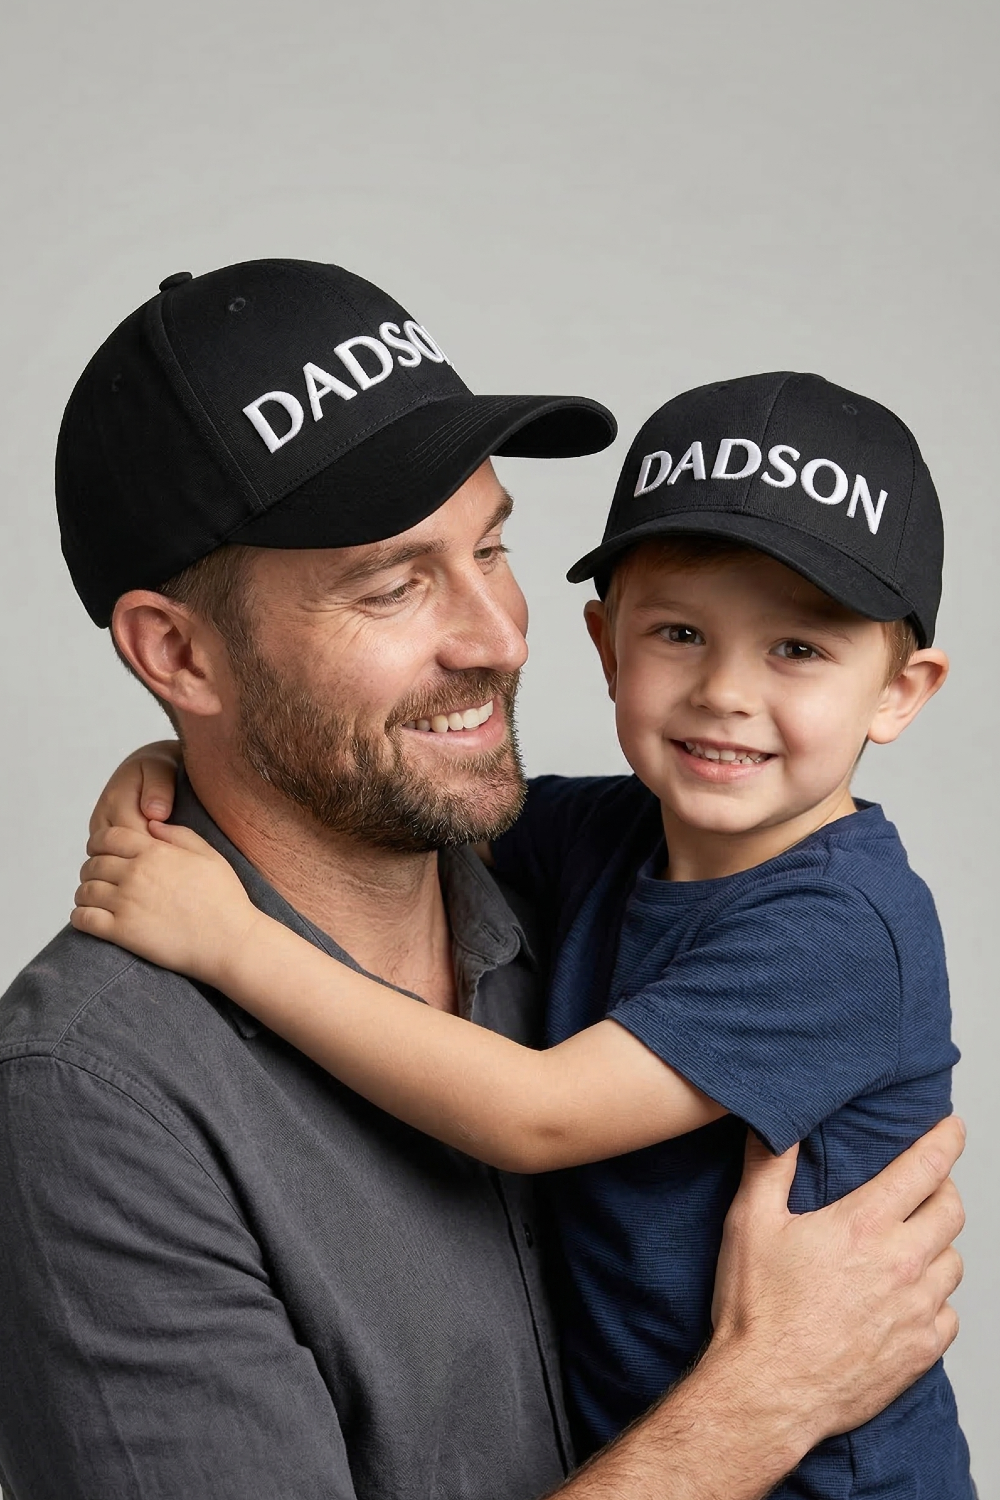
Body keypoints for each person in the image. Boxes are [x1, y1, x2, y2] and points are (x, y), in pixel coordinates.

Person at [0, 263, 964, 1500]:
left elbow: (536, 1109)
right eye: (394, 584)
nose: (502, 637)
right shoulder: (93, 1100)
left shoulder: (574, 889)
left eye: (493, 546)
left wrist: (183, 803)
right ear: (178, 655)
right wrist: (765, 1399)